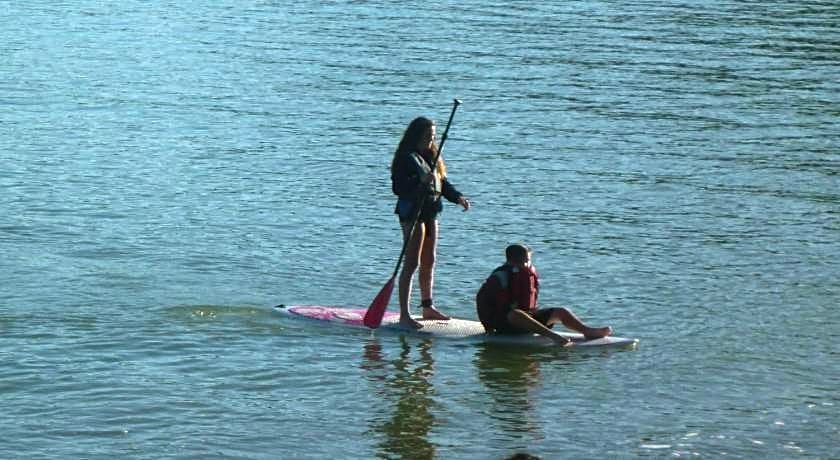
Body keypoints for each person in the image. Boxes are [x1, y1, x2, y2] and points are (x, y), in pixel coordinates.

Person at [391, 116, 470, 329]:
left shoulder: (431, 155)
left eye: (433, 136)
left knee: (430, 259)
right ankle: (404, 315)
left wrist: (457, 197)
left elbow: (441, 183)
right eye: (427, 136)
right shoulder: (404, 158)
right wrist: (418, 182)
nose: (430, 140)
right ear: (416, 136)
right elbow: (399, 188)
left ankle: (427, 307)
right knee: (412, 262)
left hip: (430, 211)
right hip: (412, 212)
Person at [476, 244, 612, 346]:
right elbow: (480, 300)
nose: (529, 263)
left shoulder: (526, 274)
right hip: (504, 325)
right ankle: (554, 337)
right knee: (515, 313)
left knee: (561, 311)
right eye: (526, 260)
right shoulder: (500, 276)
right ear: (514, 260)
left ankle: (587, 331)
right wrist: (487, 327)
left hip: (526, 321)